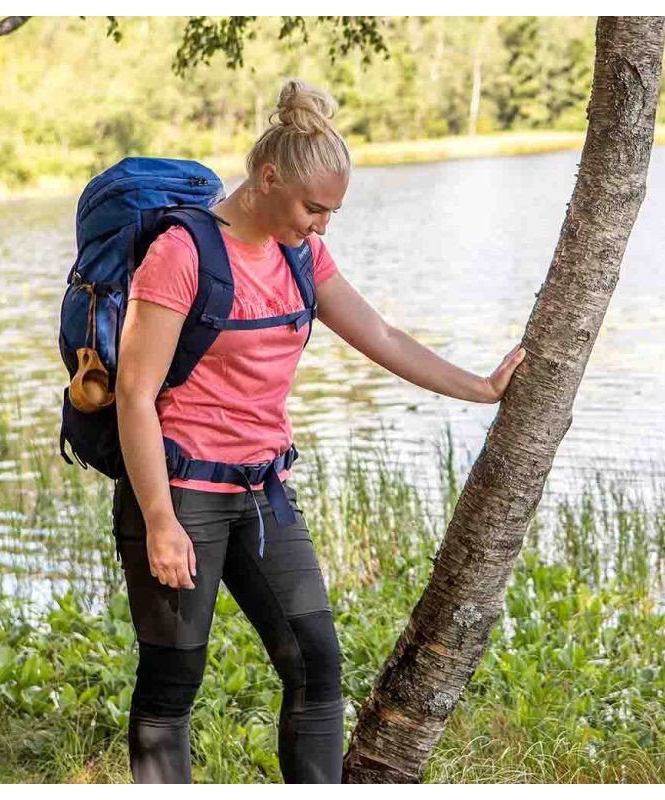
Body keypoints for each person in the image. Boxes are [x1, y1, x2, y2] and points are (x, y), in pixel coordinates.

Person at [113, 77, 526, 785]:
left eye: (332, 211)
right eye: (313, 207)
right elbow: (133, 391)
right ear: (267, 178)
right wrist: (158, 519)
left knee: (317, 664)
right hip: (180, 492)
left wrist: (482, 388)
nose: (322, 224)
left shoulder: (300, 254)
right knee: (172, 682)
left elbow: (383, 336)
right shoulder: (183, 254)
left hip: (265, 493)